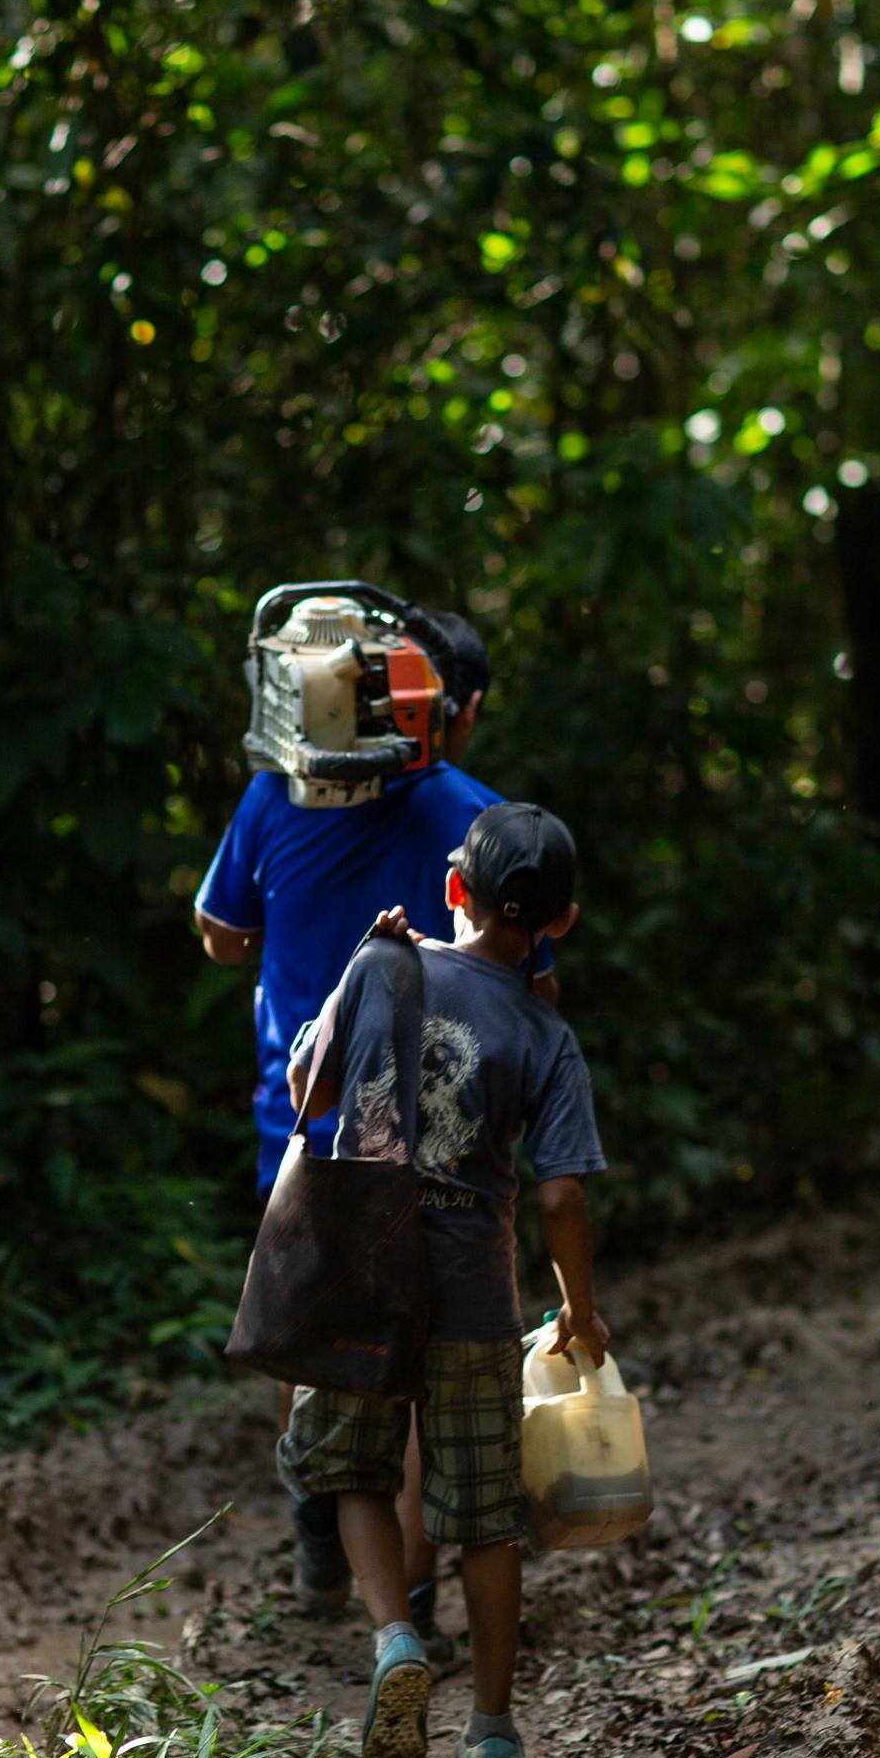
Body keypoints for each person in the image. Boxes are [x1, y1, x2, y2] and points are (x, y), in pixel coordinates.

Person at [195, 606, 555, 1639]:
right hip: (453, 1146)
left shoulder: (271, 796)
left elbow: (223, 936)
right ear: (446, 707)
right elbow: (533, 985)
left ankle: (322, 1542)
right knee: (425, 1346)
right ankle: (416, 1598)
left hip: (304, 1129)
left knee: (311, 1329)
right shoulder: (477, 819)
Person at [274, 802, 609, 1758]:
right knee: (487, 1516)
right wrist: (578, 1310)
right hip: (472, 1290)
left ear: (453, 888)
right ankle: (494, 1731)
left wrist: (340, 996)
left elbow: (309, 1094)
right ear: (564, 919)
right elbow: (560, 1191)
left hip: (362, 1272)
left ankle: (393, 1639)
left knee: (351, 1470)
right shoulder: (548, 1033)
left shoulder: (384, 963)